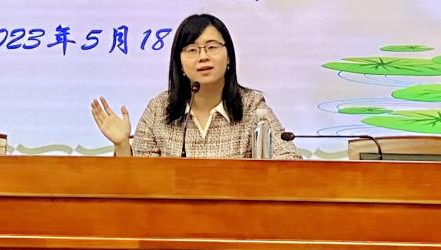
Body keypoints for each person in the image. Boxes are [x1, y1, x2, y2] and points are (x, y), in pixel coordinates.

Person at [90, 13, 300, 159]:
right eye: (192, 50)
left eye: (212, 47)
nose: (203, 57)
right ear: (180, 64)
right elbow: (138, 180)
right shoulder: (159, 109)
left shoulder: (252, 105)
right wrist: (122, 145)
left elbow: (289, 159)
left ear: (229, 57)